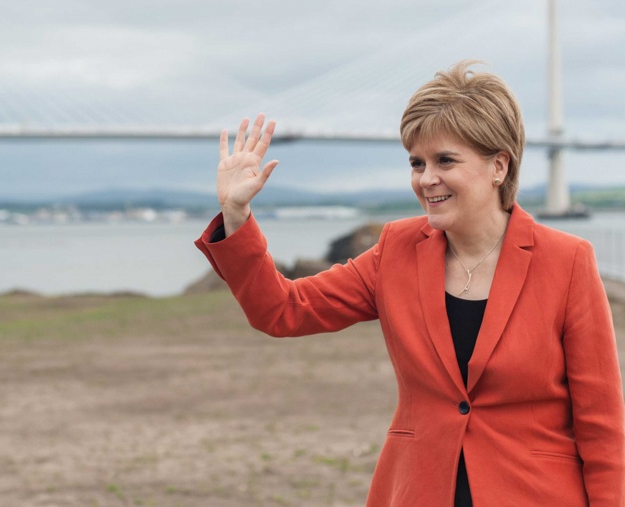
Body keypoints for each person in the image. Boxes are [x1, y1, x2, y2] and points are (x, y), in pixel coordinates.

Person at [194, 61, 625, 506]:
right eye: (417, 162)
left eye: (445, 160)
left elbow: (602, 424)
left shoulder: (568, 261)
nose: (426, 179)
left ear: (499, 166)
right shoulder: (396, 250)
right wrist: (237, 217)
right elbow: (283, 310)